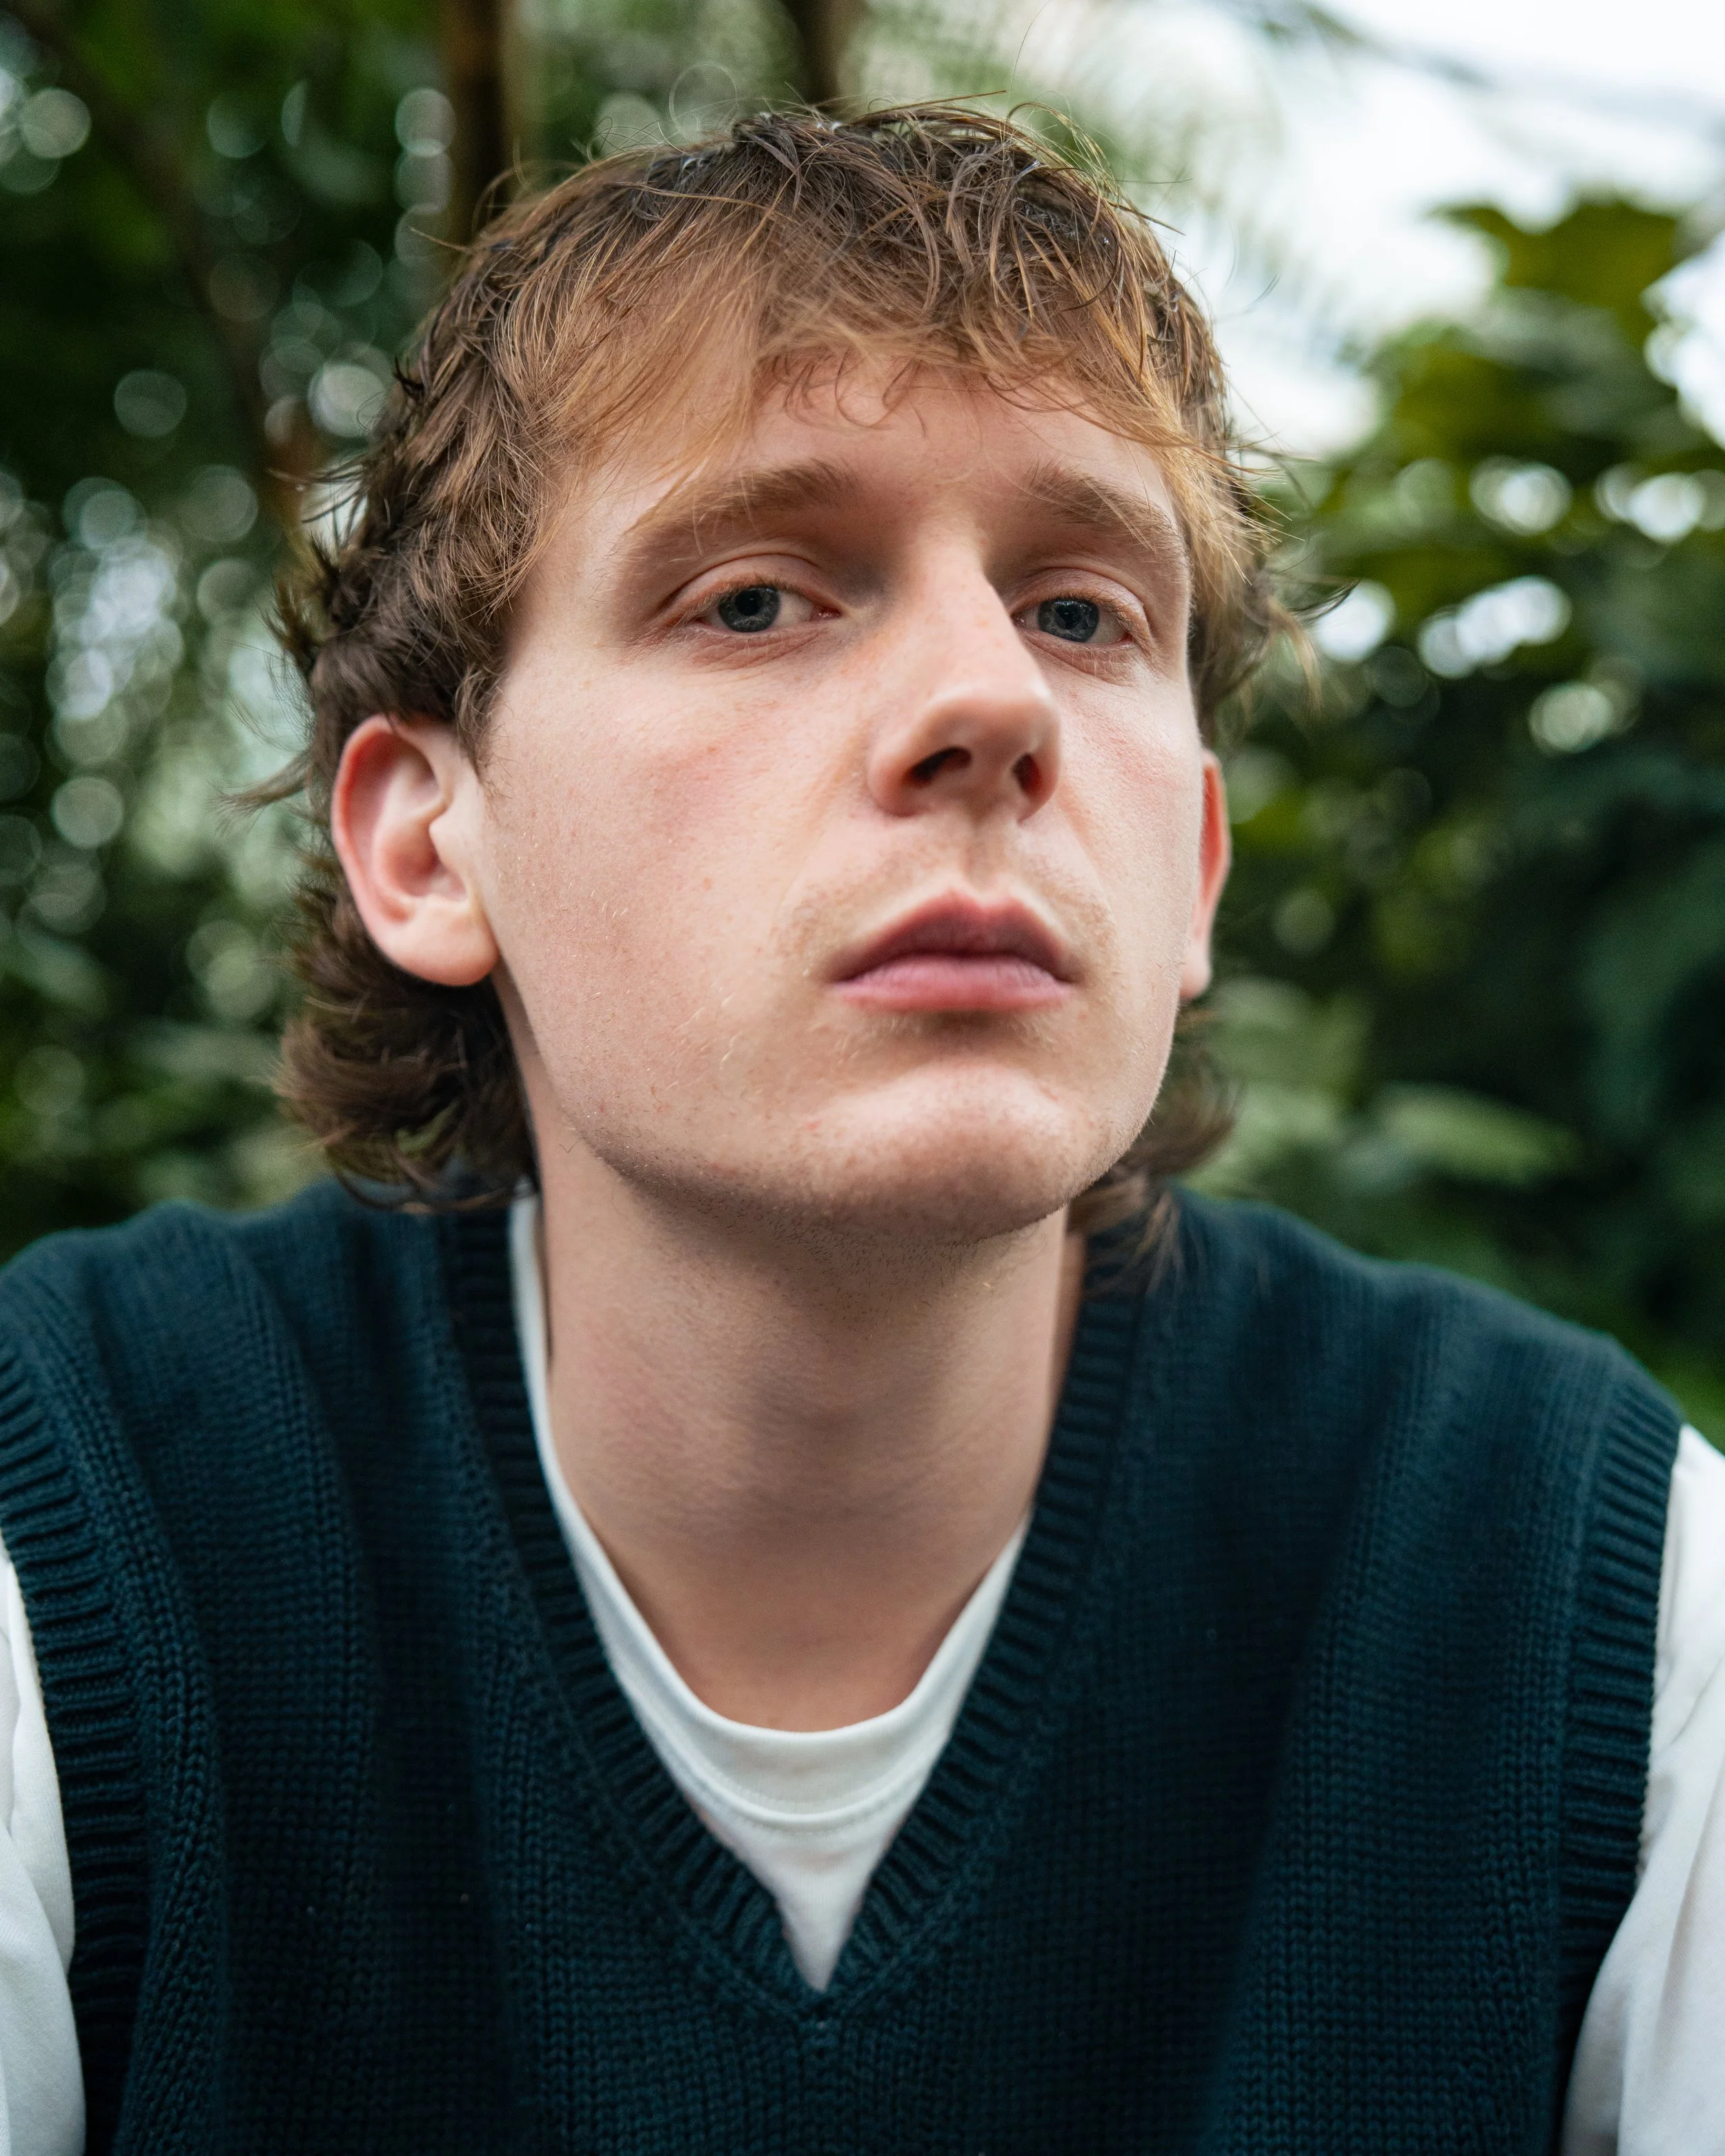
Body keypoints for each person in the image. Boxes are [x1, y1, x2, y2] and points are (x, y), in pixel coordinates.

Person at [0, 106, 1719, 2155]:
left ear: (1185, 861)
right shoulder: (84, 1528)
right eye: (755, 597)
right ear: (425, 838)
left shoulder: (1594, 1599)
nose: (985, 703)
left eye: (1083, 612)